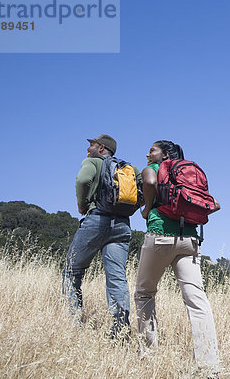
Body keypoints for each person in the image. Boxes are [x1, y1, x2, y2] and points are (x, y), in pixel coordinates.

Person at [134, 140, 220, 375]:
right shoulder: (189, 174)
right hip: (189, 240)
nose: (147, 153)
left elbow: (150, 182)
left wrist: (148, 208)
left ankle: (148, 356)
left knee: (144, 292)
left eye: (152, 150)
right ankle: (208, 366)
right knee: (197, 301)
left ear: (165, 154)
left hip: (160, 236)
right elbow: (214, 203)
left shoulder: (153, 169)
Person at [62, 134, 140, 338]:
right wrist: (134, 208)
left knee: (72, 271)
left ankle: (72, 323)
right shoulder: (129, 168)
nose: (88, 149)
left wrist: (82, 203)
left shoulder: (93, 162)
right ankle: (120, 328)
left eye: (92, 146)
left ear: (102, 149)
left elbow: (82, 179)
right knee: (117, 277)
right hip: (122, 225)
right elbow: (146, 187)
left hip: (96, 220)